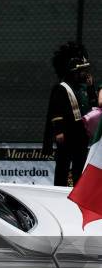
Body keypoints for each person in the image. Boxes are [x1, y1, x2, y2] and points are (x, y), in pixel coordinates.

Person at [43, 42, 96, 186]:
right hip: (67, 133)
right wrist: (59, 131)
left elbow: (94, 104)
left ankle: (78, 188)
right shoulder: (61, 88)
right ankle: (60, 187)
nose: (85, 73)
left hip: (81, 133)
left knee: (80, 162)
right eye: (82, 70)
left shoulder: (84, 88)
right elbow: (55, 112)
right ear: (73, 71)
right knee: (63, 163)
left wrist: (91, 88)